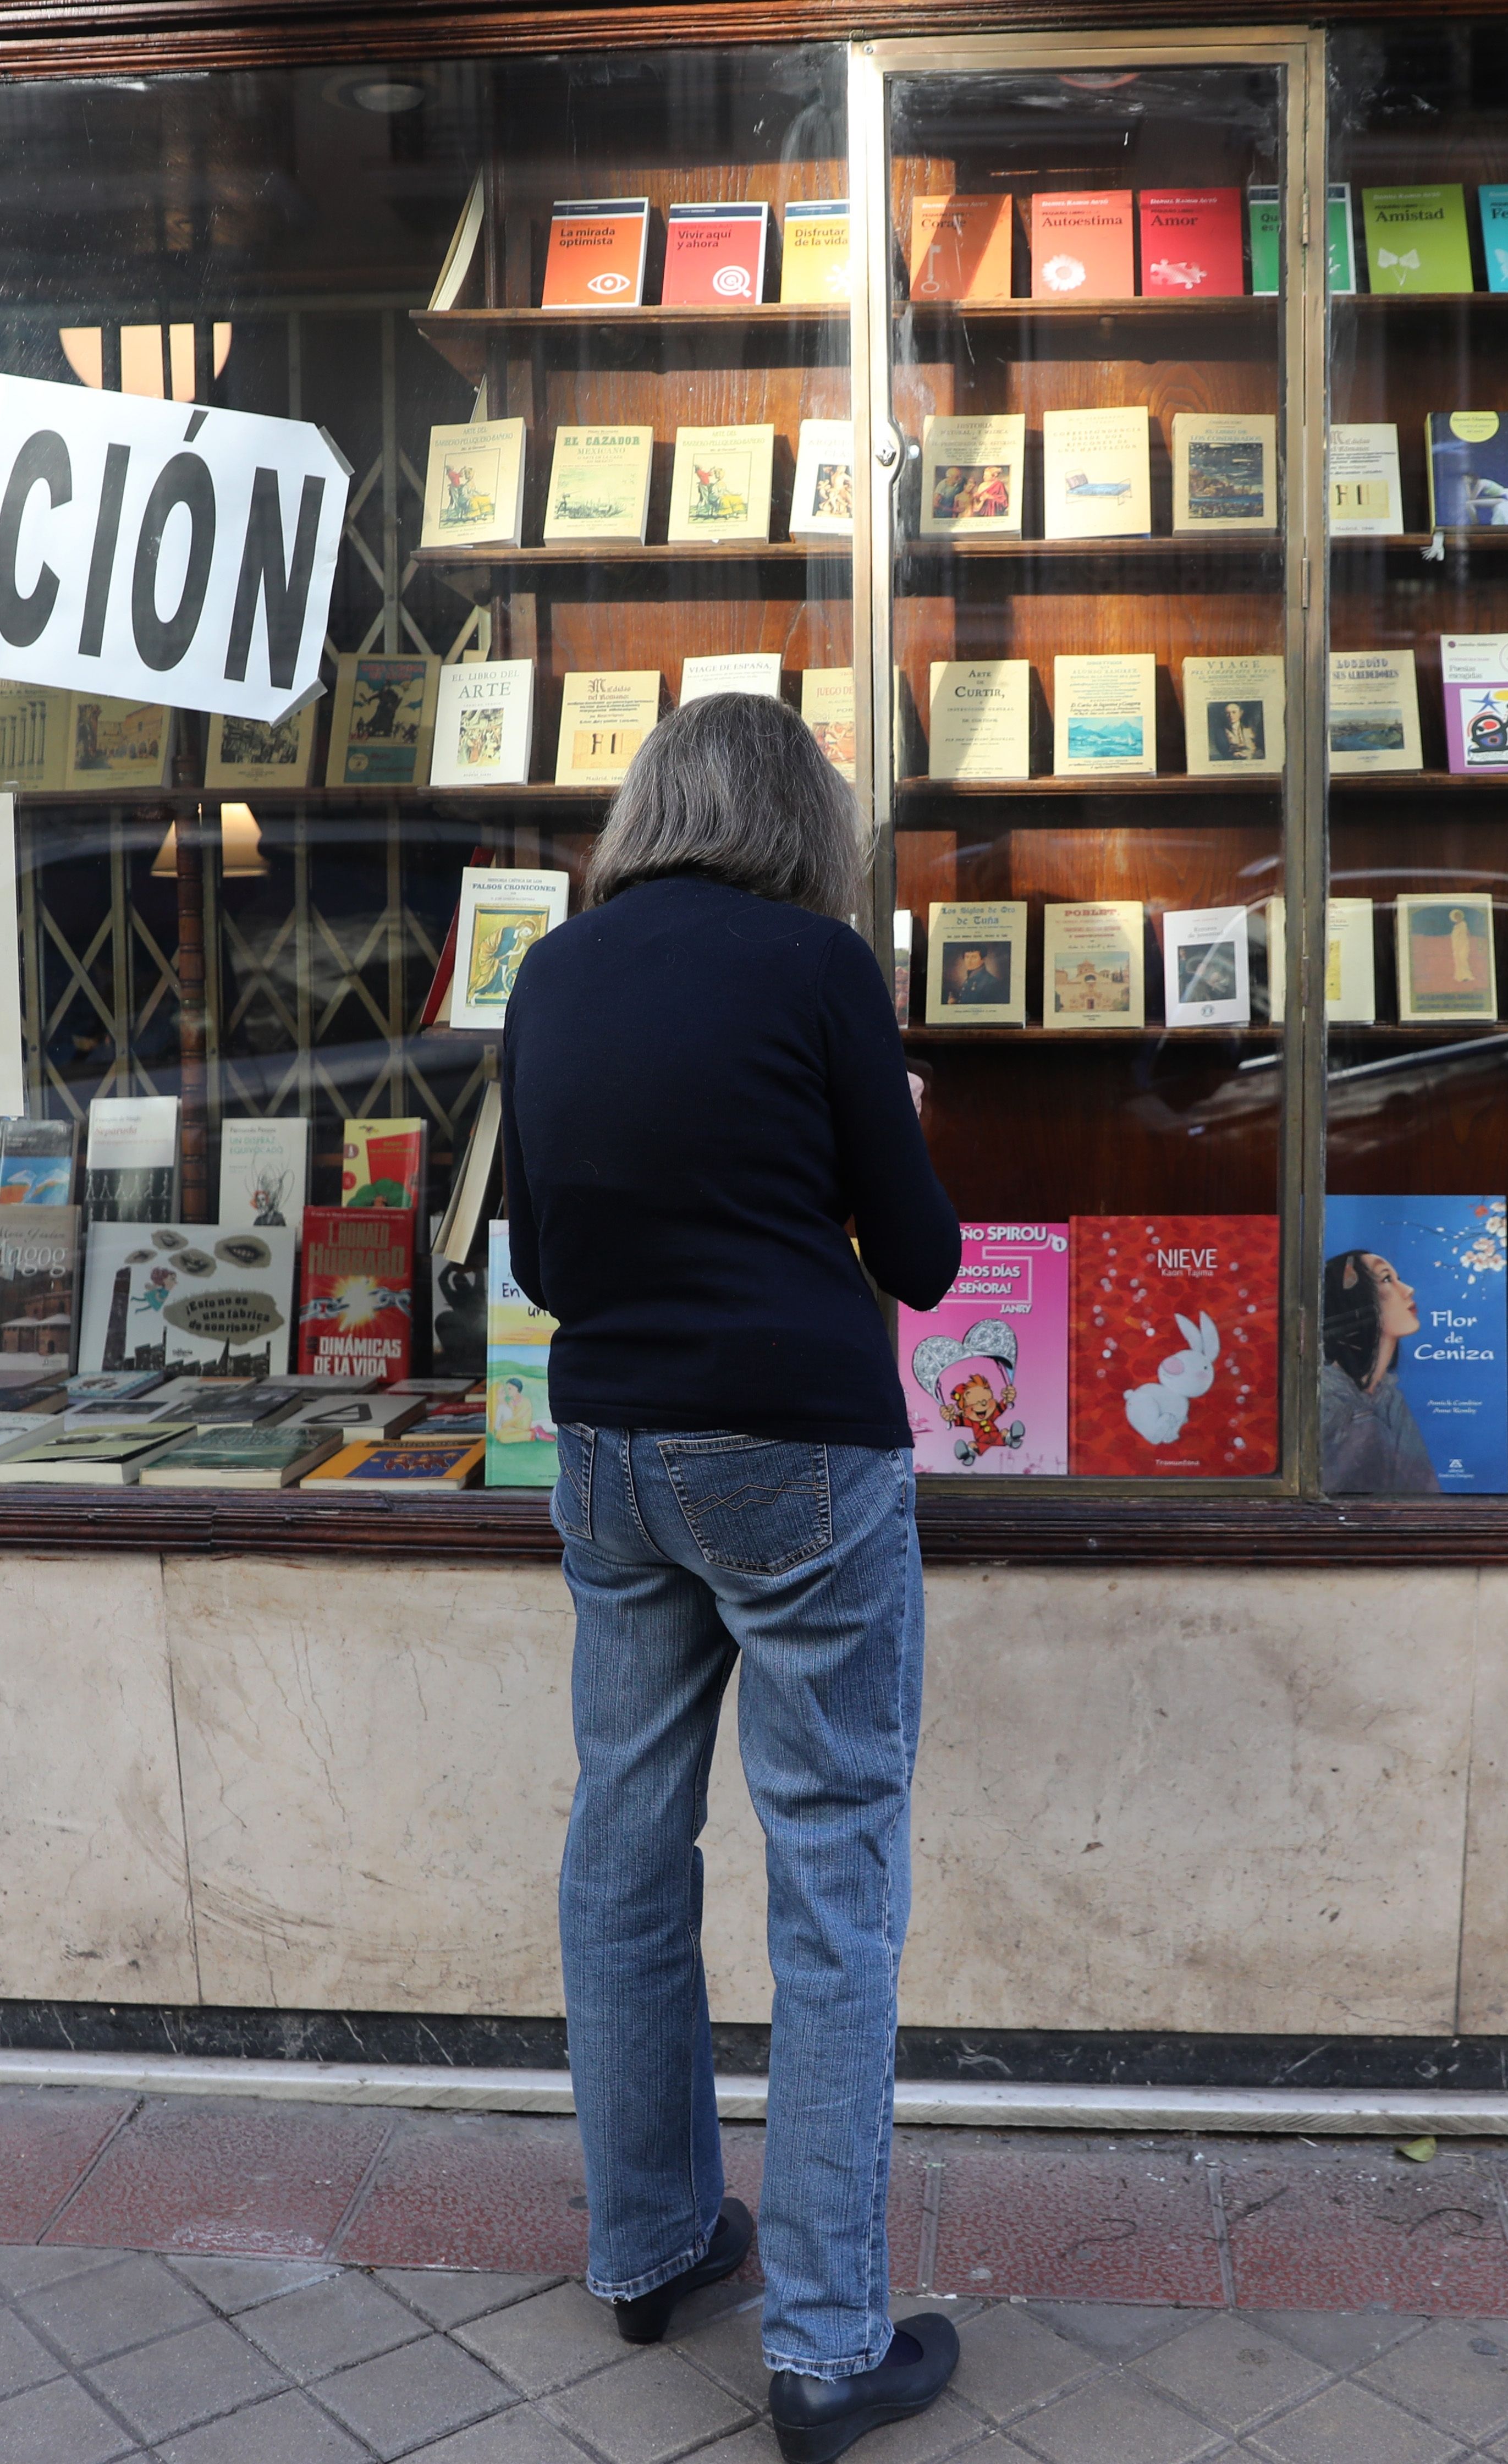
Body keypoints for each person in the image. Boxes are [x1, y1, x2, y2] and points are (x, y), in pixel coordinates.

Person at [499, 691, 966, 2463]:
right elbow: (918, 1258)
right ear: (805, 818)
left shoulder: (559, 969)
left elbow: (543, 1256)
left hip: (611, 1449)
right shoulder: (819, 964)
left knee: (624, 1838)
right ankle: (832, 2344)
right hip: (796, 1451)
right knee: (833, 1872)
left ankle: (653, 2242)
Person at [1321, 1248, 1437, 1492]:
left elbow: (1423, 1491)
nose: (1408, 1290)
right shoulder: (1328, 1402)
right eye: (1387, 1279)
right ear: (1354, 1300)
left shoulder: (1388, 1397)